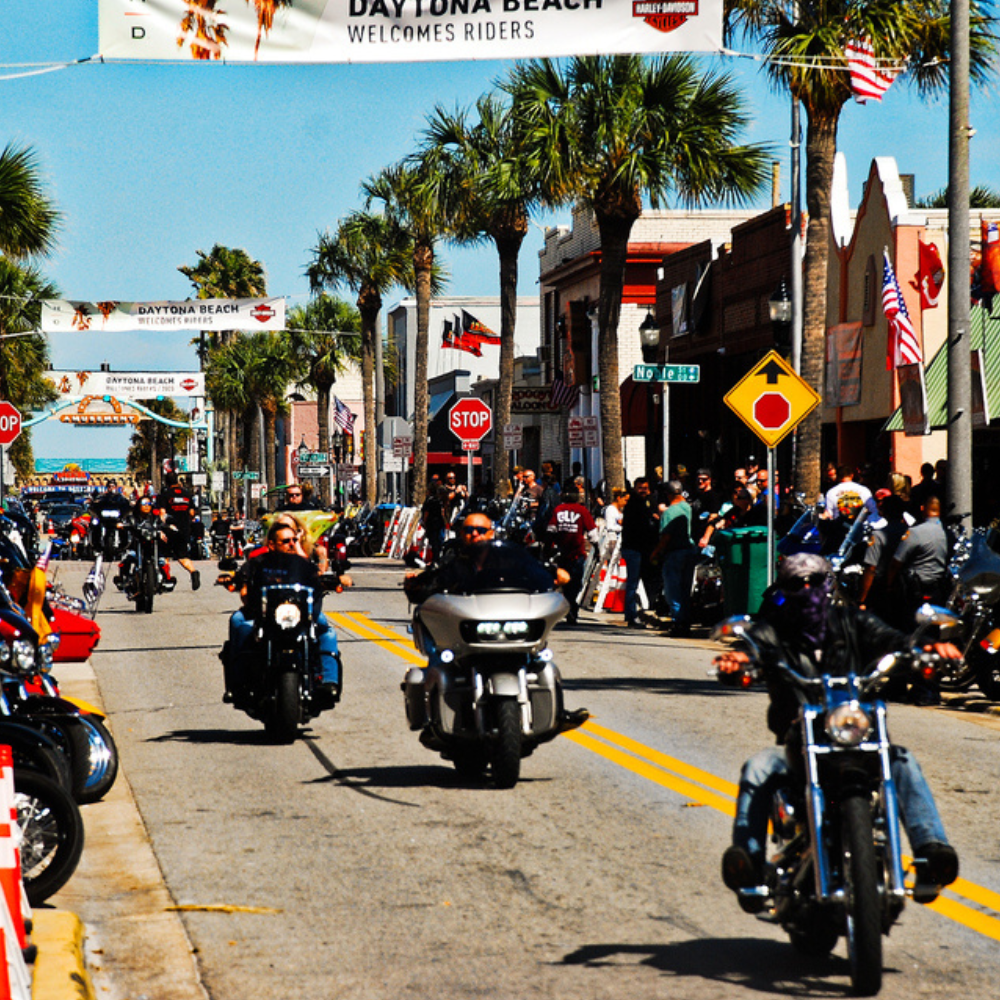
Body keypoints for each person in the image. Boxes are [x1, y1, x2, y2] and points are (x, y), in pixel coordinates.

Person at [715, 553, 960, 903]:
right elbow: (752, 649)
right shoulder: (773, 629)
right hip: (797, 740)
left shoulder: (852, 622)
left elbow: (892, 640)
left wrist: (924, 649)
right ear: (782, 589)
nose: (806, 589)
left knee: (902, 761)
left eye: (813, 581)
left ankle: (932, 852)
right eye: (796, 584)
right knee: (758, 766)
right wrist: (739, 660)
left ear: (826, 584)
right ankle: (750, 862)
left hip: (857, 735)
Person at [402, 512, 587, 731]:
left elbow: (533, 571)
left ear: (491, 533)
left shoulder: (509, 559)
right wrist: (417, 583)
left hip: (503, 621)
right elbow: (434, 580)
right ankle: (432, 715)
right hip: (467, 630)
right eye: (469, 530)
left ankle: (558, 713)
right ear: (462, 534)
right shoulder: (453, 560)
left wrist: (554, 572)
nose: (474, 535)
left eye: (480, 530)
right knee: (439, 657)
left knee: (539, 659)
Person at [222, 520, 350, 707]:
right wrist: (231, 579)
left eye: (294, 540)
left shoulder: (302, 564)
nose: (291, 543)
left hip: (300, 613)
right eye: (286, 541)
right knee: (240, 624)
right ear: (272, 544)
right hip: (267, 614)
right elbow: (242, 578)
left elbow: (317, 578)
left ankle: (328, 683)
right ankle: (238, 684)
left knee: (327, 633)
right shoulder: (258, 563)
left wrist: (337, 580)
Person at [546, 487, 600, 626]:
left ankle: (568, 607)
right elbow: (593, 532)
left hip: (561, 553)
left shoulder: (558, 510)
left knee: (564, 582)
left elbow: (551, 530)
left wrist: (548, 547)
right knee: (576, 582)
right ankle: (571, 608)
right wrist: (597, 548)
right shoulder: (582, 510)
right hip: (576, 553)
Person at [651, 479, 696, 636]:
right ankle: (686, 620)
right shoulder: (687, 508)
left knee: (673, 589)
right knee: (685, 588)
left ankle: (679, 622)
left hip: (674, 553)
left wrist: (655, 553)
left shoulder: (669, 512)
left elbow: (665, 537)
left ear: (668, 494)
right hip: (689, 551)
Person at [620, 478, 660, 629]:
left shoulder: (646, 502)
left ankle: (631, 613)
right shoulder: (634, 504)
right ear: (635, 488)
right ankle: (631, 616)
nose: (643, 490)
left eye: (645, 488)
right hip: (633, 548)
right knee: (632, 583)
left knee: (636, 582)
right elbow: (641, 525)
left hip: (640, 548)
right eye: (640, 488)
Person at [156, 473, 201, 590]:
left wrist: (161, 526)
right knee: (182, 556)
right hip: (184, 529)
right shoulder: (187, 494)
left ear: (166, 482)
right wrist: (186, 521)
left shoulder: (165, 495)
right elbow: (192, 513)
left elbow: (162, 513)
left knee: (164, 554)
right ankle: (193, 571)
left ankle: (167, 578)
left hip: (169, 529)